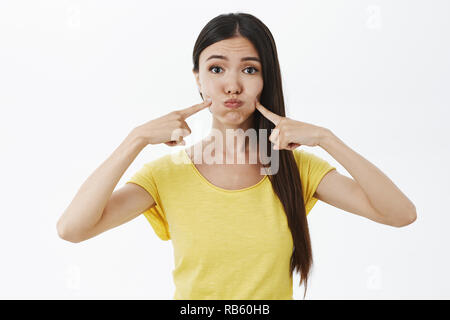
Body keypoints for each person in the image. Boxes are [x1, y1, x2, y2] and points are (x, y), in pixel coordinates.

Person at [56, 12, 417, 300]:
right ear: (197, 78)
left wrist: (326, 138)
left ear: (265, 79)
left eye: (249, 69)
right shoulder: (166, 174)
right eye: (216, 69)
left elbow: (400, 214)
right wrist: (134, 139)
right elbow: (72, 229)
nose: (232, 85)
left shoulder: (297, 169)